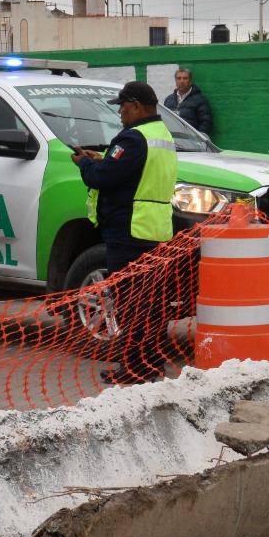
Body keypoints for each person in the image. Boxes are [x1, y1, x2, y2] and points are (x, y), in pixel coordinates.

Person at [72, 80, 179, 384]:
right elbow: (132, 173)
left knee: (131, 303)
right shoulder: (162, 135)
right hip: (154, 228)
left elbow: (103, 178)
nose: (119, 112)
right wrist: (102, 158)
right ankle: (152, 364)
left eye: (122, 106)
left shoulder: (133, 138)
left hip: (129, 231)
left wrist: (84, 164)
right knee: (153, 304)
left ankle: (135, 369)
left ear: (135, 106)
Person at [162, 67, 213, 135]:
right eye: (179, 78)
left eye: (185, 78)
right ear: (176, 81)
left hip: (191, 142)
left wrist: (197, 140)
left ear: (190, 81)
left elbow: (206, 123)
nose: (181, 81)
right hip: (173, 141)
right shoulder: (168, 100)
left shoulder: (199, 100)